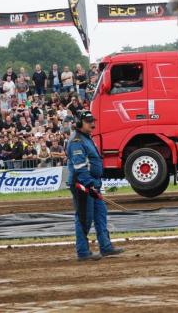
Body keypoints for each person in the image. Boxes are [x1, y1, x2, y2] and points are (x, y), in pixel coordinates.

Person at [66, 111, 124, 261]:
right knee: (84, 218)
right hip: (83, 185)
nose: (92, 124)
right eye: (88, 121)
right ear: (79, 123)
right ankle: (83, 252)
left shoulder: (86, 138)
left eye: (93, 121)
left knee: (100, 215)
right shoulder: (76, 141)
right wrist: (90, 185)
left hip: (92, 184)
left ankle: (106, 247)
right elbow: (79, 167)